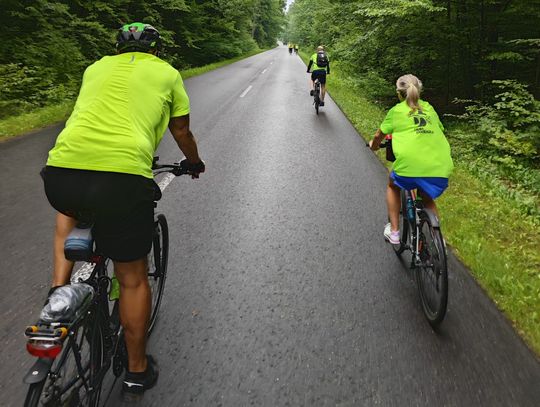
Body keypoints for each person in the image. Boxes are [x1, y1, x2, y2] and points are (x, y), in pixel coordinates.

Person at [41, 22, 205, 400]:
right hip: (123, 180)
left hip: (61, 172)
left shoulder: (95, 68)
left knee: (69, 210)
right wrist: (193, 162)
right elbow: (182, 131)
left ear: (117, 49)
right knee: (131, 278)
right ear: (157, 51)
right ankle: (136, 371)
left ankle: (58, 291)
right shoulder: (167, 73)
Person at [369, 74, 453, 244]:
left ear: (399, 93)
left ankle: (394, 232)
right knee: (426, 197)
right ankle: (438, 240)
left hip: (409, 168)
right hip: (440, 167)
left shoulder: (397, 111)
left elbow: (379, 135)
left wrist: (374, 145)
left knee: (393, 185)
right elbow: (439, 130)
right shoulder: (429, 108)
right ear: (419, 90)